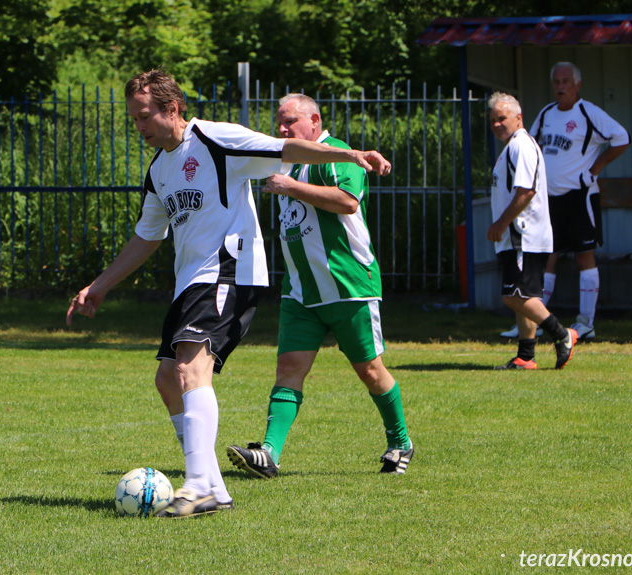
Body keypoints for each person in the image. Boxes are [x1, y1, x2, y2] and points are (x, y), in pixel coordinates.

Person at [66, 71, 392, 518]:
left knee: (189, 366)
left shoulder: (216, 140)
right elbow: (147, 236)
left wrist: (349, 154)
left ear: (172, 108)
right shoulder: (159, 169)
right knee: (167, 380)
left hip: (229, 269)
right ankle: (214, 487)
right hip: (192, 282)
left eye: (144, 116)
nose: (138, 126)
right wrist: (99, 286)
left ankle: (198, 485)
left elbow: (285, 149)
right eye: (134, 118)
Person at [225, 94, 412, 480]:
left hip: (348, 286)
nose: (282, 129)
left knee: (371, 371)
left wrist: (291, 187)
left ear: (314, 121)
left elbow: (347, 202)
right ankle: (269, 454)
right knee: (289, 367)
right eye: (279, 122)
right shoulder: (284, 159)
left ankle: (400, 441)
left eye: (290, 121)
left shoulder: (338, 152)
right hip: (301, 290)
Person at [500, 62, 631, 340]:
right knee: (547, 259)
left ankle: (586, 323)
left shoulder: (589, 113)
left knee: (584, 256)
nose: (560, 87)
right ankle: (533, 324)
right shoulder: (546, 114)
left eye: (566, 81)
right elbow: (529, 142)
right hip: (549, 201)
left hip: (580, 197)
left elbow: (622, 138)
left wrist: (595, 169)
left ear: (577, 85)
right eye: (556, 82)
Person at [486, 92, 578, 370]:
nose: (497, 124)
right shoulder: (512, 146)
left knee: (513, 296)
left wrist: (501, 223)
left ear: (518, 117)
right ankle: (526, 356)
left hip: (522, 234)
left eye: (502, 118)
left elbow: (526, 191)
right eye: (493, 120)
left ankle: (562, 334)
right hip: (520, 235)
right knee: (526, 297)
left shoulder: (521, 146)